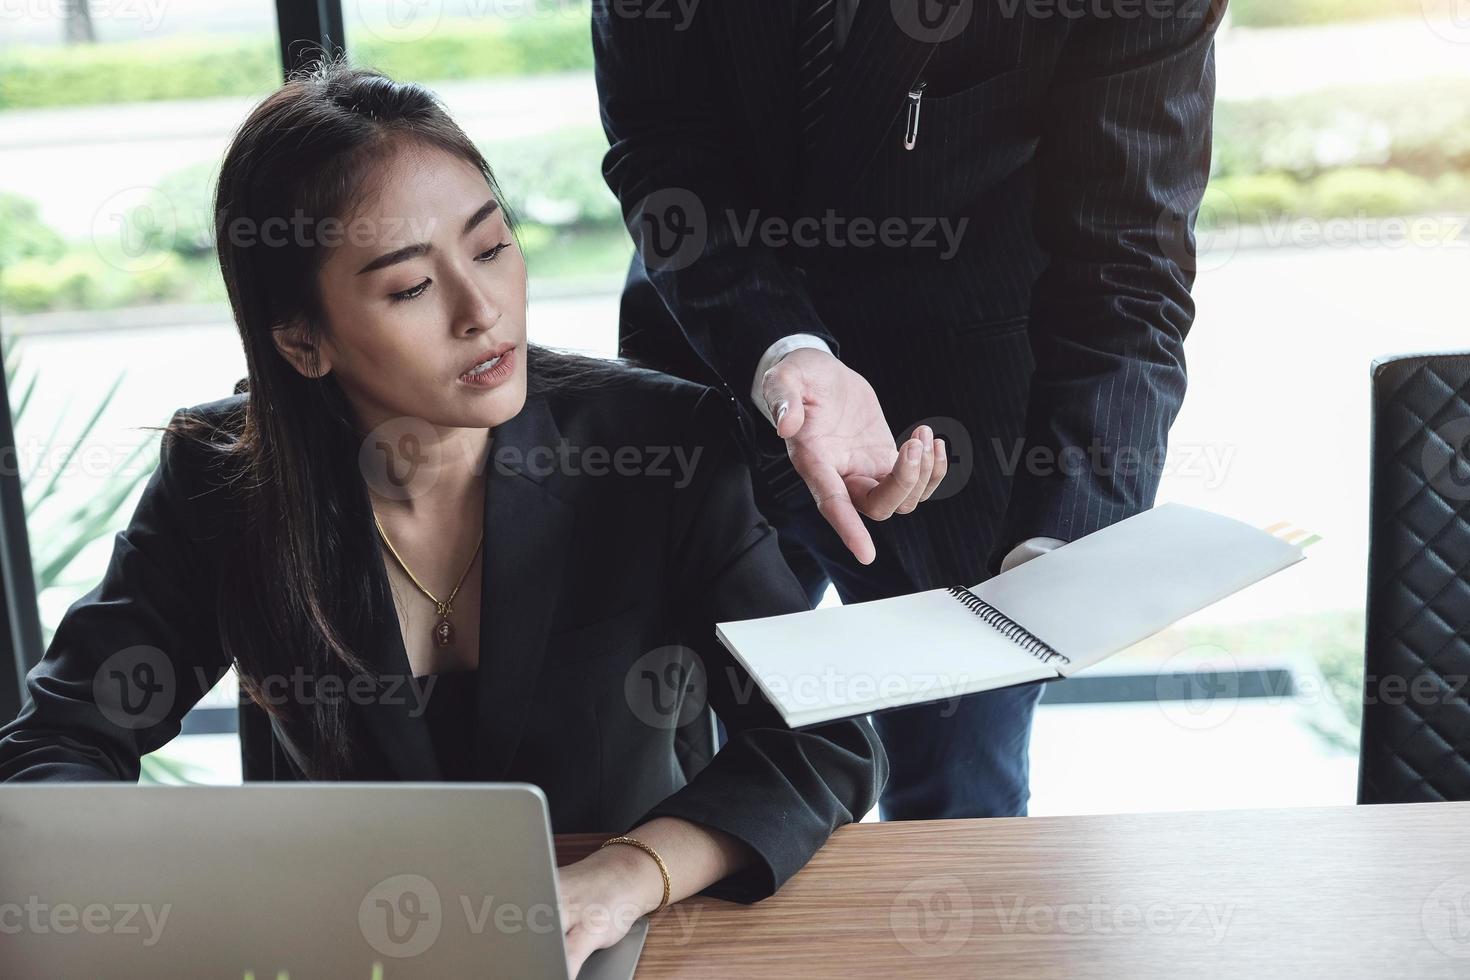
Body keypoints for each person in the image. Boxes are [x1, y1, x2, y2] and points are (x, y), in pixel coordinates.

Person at [0, 57, 887, 976]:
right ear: (302, 341)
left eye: (493, 246)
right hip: (337, 944)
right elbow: (57, 745)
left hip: (612, 938)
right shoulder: (218, 482)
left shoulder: (661, 449)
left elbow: (825, 740)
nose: (481, 312)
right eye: (410, 288)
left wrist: (628, 873)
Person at [594, 0, 1223, 820]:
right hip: (718, 348)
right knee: (646, 746)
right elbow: (661, 140)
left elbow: (1127, 262)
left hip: (967, 408)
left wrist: (1066, 537)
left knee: (956, 796)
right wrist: (786, 348)